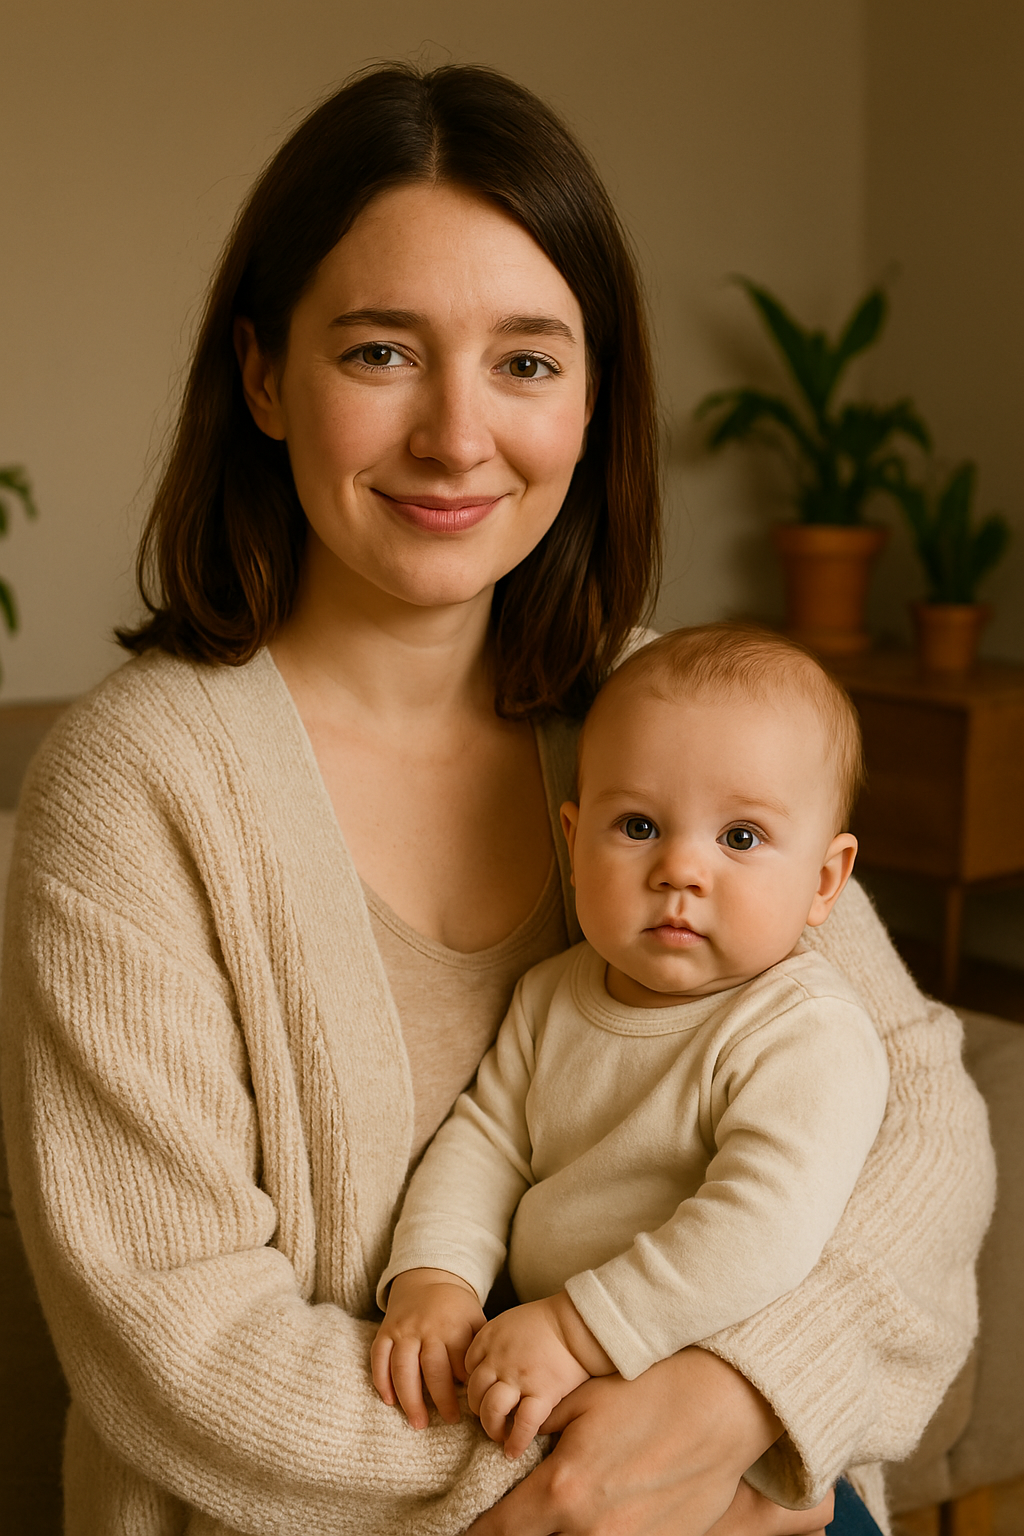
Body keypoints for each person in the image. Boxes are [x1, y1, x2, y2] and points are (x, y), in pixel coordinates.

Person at [0, 62, 993, 1536]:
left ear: (593, 400)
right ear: (266, 376)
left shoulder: (658, 722)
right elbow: (180, 1346)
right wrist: (577, 1480)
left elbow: (923, 1123)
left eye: (527, 361)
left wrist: (733, 1406)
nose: (459, 438)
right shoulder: (134, 790)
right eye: (383, 353)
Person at [373, 625, 890, 1467]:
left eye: (741, 838)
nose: (681, 869)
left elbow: (760, 1227)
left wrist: (578, 1328)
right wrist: (437, 1276)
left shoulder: (804, 1030)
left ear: (825, 881)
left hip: (706, 1411)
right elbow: (486, 1143)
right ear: (574, 842)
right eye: (641, 825)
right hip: (550, 1371)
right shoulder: (552, 995)